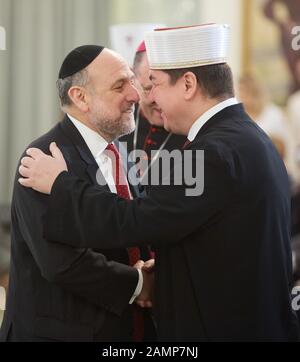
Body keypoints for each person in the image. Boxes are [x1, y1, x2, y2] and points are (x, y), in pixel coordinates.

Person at [19, 24, 300, 341]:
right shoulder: (245, 137)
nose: (142, 97)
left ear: (189, 84)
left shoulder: (211, 153)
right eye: (123, 85)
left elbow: (134, 220)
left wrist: (60, 185)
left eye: (153, 85)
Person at [0, 45, 156, 342]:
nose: (136, 95)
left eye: (133, 82)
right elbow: (61, 263)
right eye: (120, 85)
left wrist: (150, 264)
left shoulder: (122, 151)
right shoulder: (42, 158)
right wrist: (139, 284)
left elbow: (129, 224)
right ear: (80, 97)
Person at [120, 41, 185, 163]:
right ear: (132, 80)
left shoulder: (194, 133)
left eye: (169, 91)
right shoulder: (115, 124)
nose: (159, 101)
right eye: (148, 89)